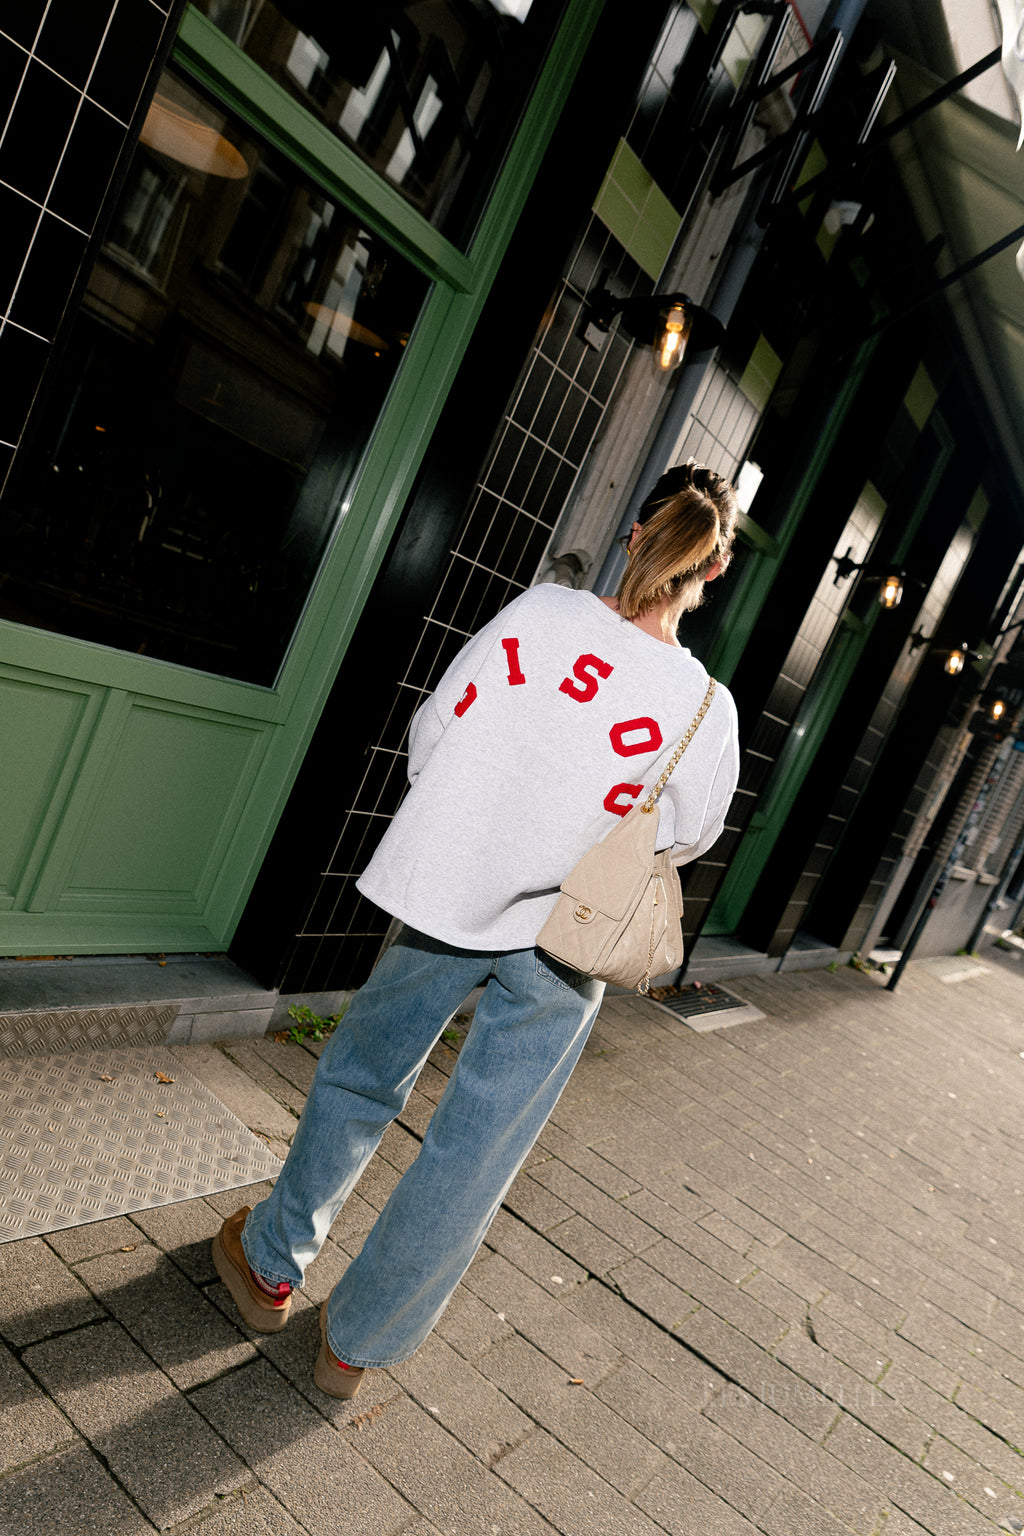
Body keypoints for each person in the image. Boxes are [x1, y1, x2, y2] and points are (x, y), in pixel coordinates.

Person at [212, 460, 741, 1398]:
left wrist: (484, 819)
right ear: (715, 566)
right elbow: (689, 835)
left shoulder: (541, 615)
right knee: (475, 1151)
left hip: (450, 895)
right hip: (568, 945)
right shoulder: (705, 707)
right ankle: (356, 1348)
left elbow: (436, 729)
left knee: (365, 1075)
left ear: (635, 535)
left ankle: (271, 1266)